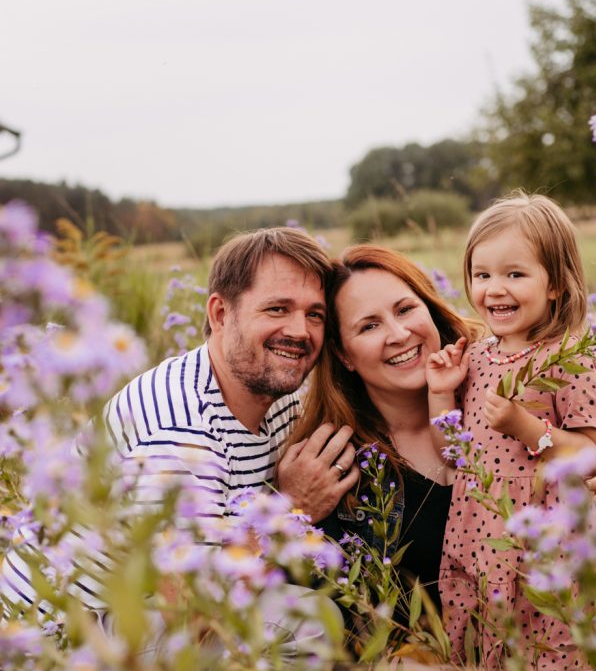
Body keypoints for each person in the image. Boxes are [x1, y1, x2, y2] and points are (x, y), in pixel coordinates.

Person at [2, 227, 358, 649]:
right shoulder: (181, 437)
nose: (300, 330)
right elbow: (187, 605)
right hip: (59, 645)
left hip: (134, 608)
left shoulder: (271, 393)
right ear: (220, 314)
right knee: (310, 623)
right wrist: (289, 510)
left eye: (314, 314)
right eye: (277, 309)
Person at [428, 192, 596, 671]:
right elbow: (454, 452)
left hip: (547, 537)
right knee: (489, 646)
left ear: (556, 284)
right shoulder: (481, 356)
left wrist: (528, 429)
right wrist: (442, 393)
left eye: (514, 274)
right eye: (482, 275)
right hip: (480, 526)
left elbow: (595, 457)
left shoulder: (569, 357)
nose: (494, 289)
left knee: (554, 650)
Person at [288, 245, 478, 615]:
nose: (399, 334)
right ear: (344, 355)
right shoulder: (336, 469)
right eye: (369, 326)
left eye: (405, 309)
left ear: (430, 309)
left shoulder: (498, 397)